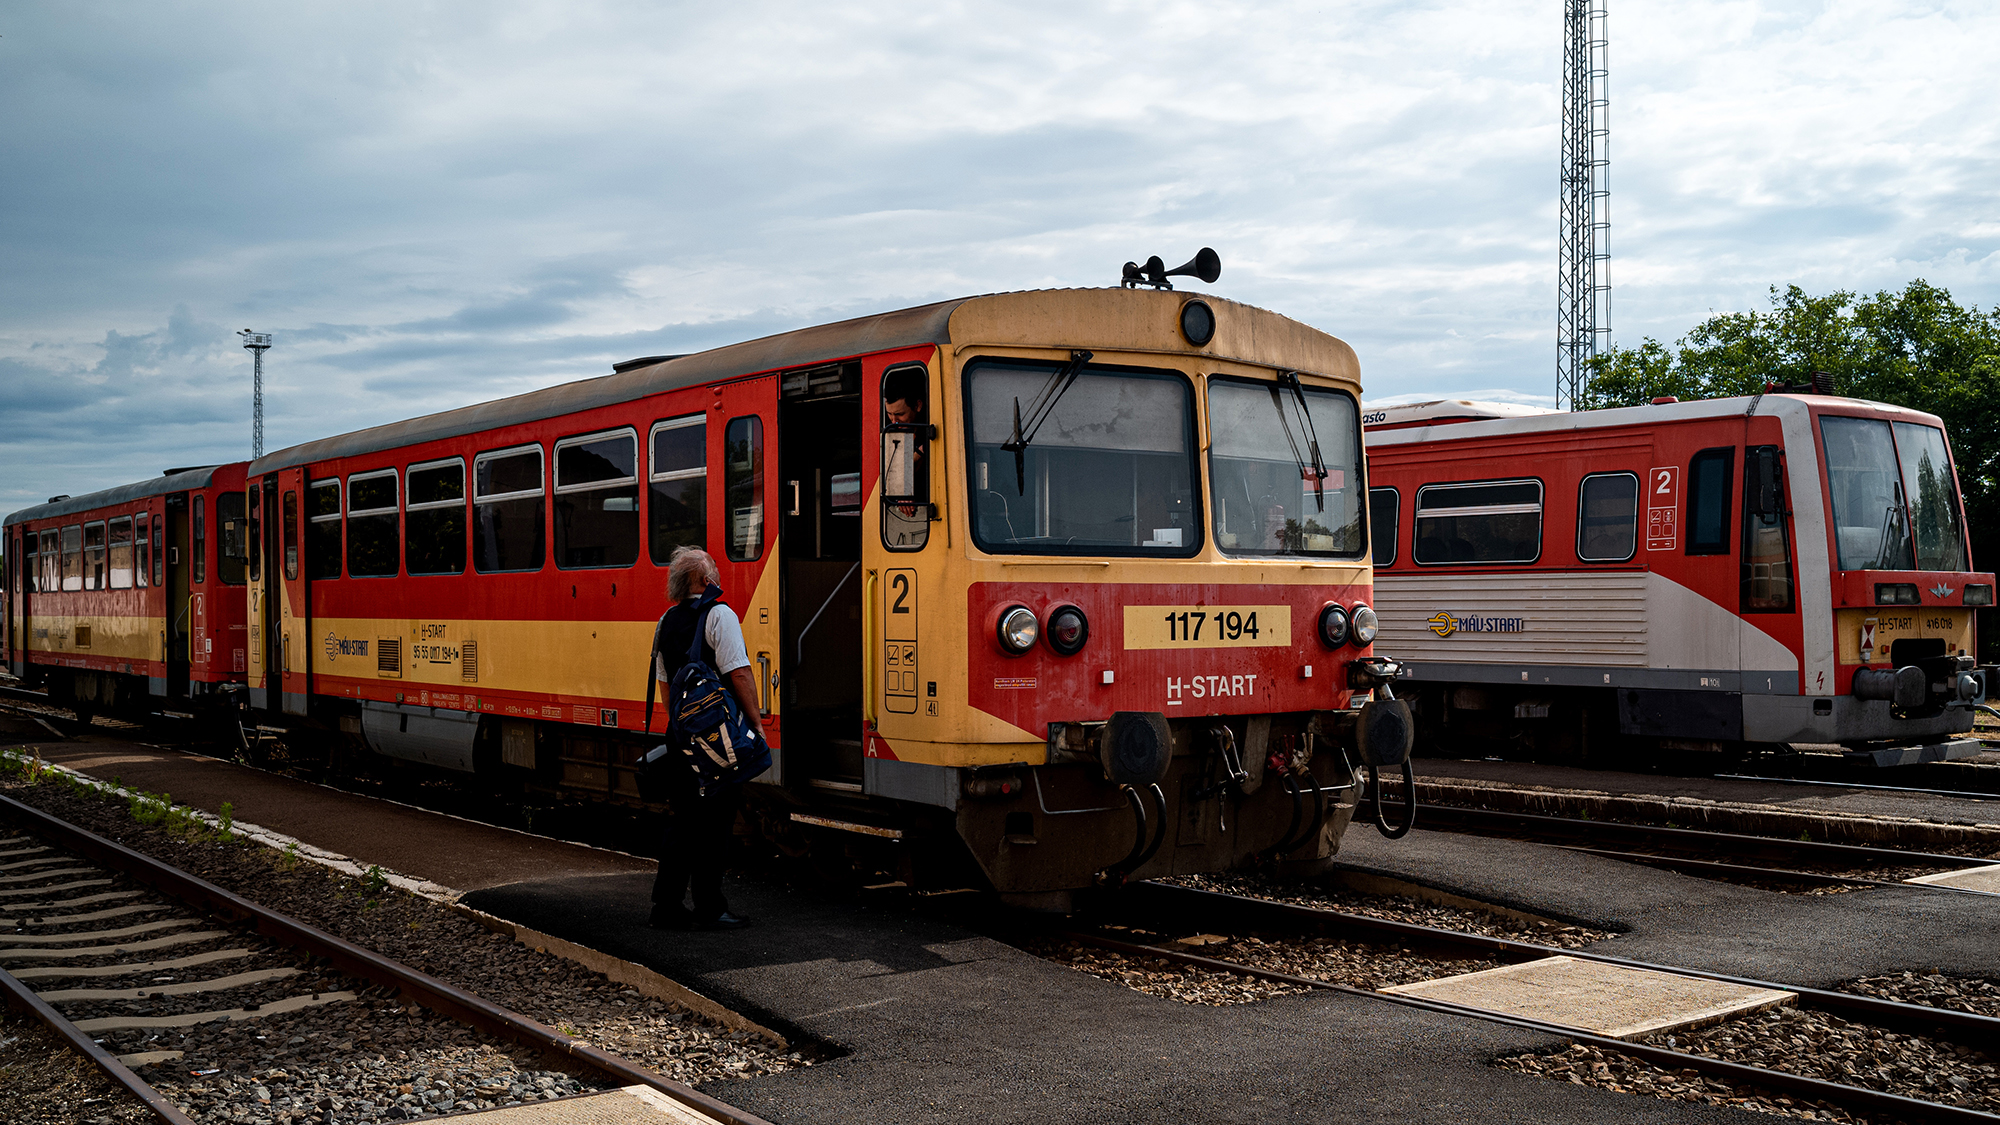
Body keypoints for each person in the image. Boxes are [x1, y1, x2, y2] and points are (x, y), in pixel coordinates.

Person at [649, 546, 764, 930]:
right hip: (720, 743)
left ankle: (666, 906)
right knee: (715, 824)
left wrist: (682, 732)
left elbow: (665, 684)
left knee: (682, 821)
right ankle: (710, 907)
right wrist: (756, 724)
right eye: (713, 570)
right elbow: (740, 674)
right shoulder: (721, 615)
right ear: (704, 580)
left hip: (682, 739)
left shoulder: (666, 620)